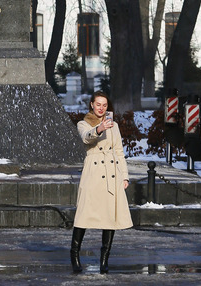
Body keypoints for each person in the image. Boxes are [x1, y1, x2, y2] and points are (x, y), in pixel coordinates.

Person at [71, 90, 132, 274]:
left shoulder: (113, 125)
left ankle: (104, 258)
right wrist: (99, 128)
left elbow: (119, 152)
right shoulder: (84, 123)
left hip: (112, 172)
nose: (101, 108)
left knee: (109, 218)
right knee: (83, 215)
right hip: (93, 172)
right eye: (98, 104)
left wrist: (124, 176)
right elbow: (86, 137)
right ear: (91, 104)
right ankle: (74, 254)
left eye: (104, 105)